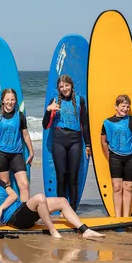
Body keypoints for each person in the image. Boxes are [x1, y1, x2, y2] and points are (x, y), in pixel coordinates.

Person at [0, 163, 105, 239]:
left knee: (63, 201)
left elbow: (14, 196)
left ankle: (84, 230)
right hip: (14, 220)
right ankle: (53, 231)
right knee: (40, 198)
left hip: (21, 208)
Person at [42, 75, 91, 211]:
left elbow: (85, 124)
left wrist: (88, 145)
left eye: (66, 85)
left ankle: (73, 209)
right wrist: (48, 111)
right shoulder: (54, 101)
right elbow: (45, 125)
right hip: (59, 140)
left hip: (75, 140)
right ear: (58, 88)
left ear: (71, 85)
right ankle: (63, 209)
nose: (64, 89)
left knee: (73, 177)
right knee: (61, 176)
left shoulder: (80, 100)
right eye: (61, 86)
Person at [101, 95, 132, 217]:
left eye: (128, 106)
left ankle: (126, 217)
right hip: (115, 157)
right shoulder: (107, 122)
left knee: (128, 187)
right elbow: (103, 141)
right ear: (116, 107)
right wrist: (109, 157)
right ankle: (118, 218)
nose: (125, 108)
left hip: (130, 157)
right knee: (117, 187)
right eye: (123, 106)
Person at [0, 88, 33, 201]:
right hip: (1, 155)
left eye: (12, 99)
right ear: (3, 101)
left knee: (24, 185)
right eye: (7, 99)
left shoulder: (20, 116)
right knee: (6, 185)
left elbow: (25, 134)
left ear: (15, 101)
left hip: (17, 154)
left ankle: (25, 212)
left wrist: (31, 151)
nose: (10, 102)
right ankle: (9, 212)